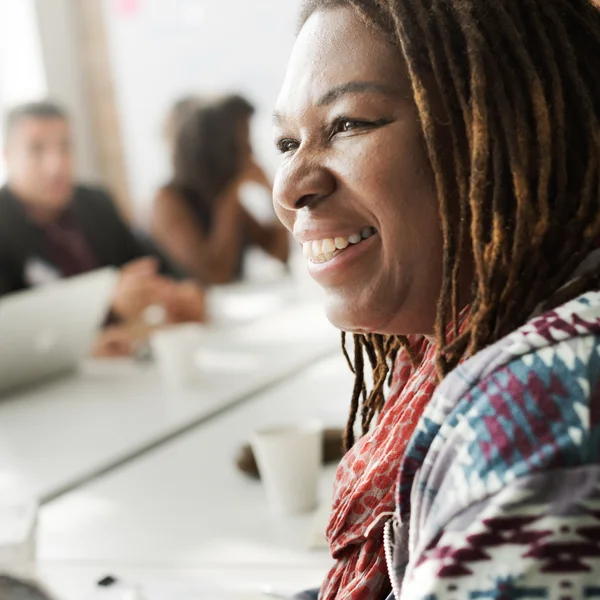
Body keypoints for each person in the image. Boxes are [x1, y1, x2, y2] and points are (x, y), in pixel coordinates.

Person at [272, 0, 600, 598]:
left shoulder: (555, 405)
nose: (292, 187)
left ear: (500, 128)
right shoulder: (442, 353)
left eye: (349, 123)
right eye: (287, 142)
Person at [0, 101, 205, 356]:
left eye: (66, 147)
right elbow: (11, 328)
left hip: (127, 365)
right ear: (8, 156)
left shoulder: (95, 202)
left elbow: (154, 262)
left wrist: (182, 290)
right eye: (36, 150)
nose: (56, 165)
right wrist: (103, 308)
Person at [151, 94, 290, 285]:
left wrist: (273, 193)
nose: (251, 154)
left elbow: (280, 253)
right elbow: (215, 275)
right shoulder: (167, 200)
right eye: (244, 146)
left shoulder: (228, 199)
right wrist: (231, 195)